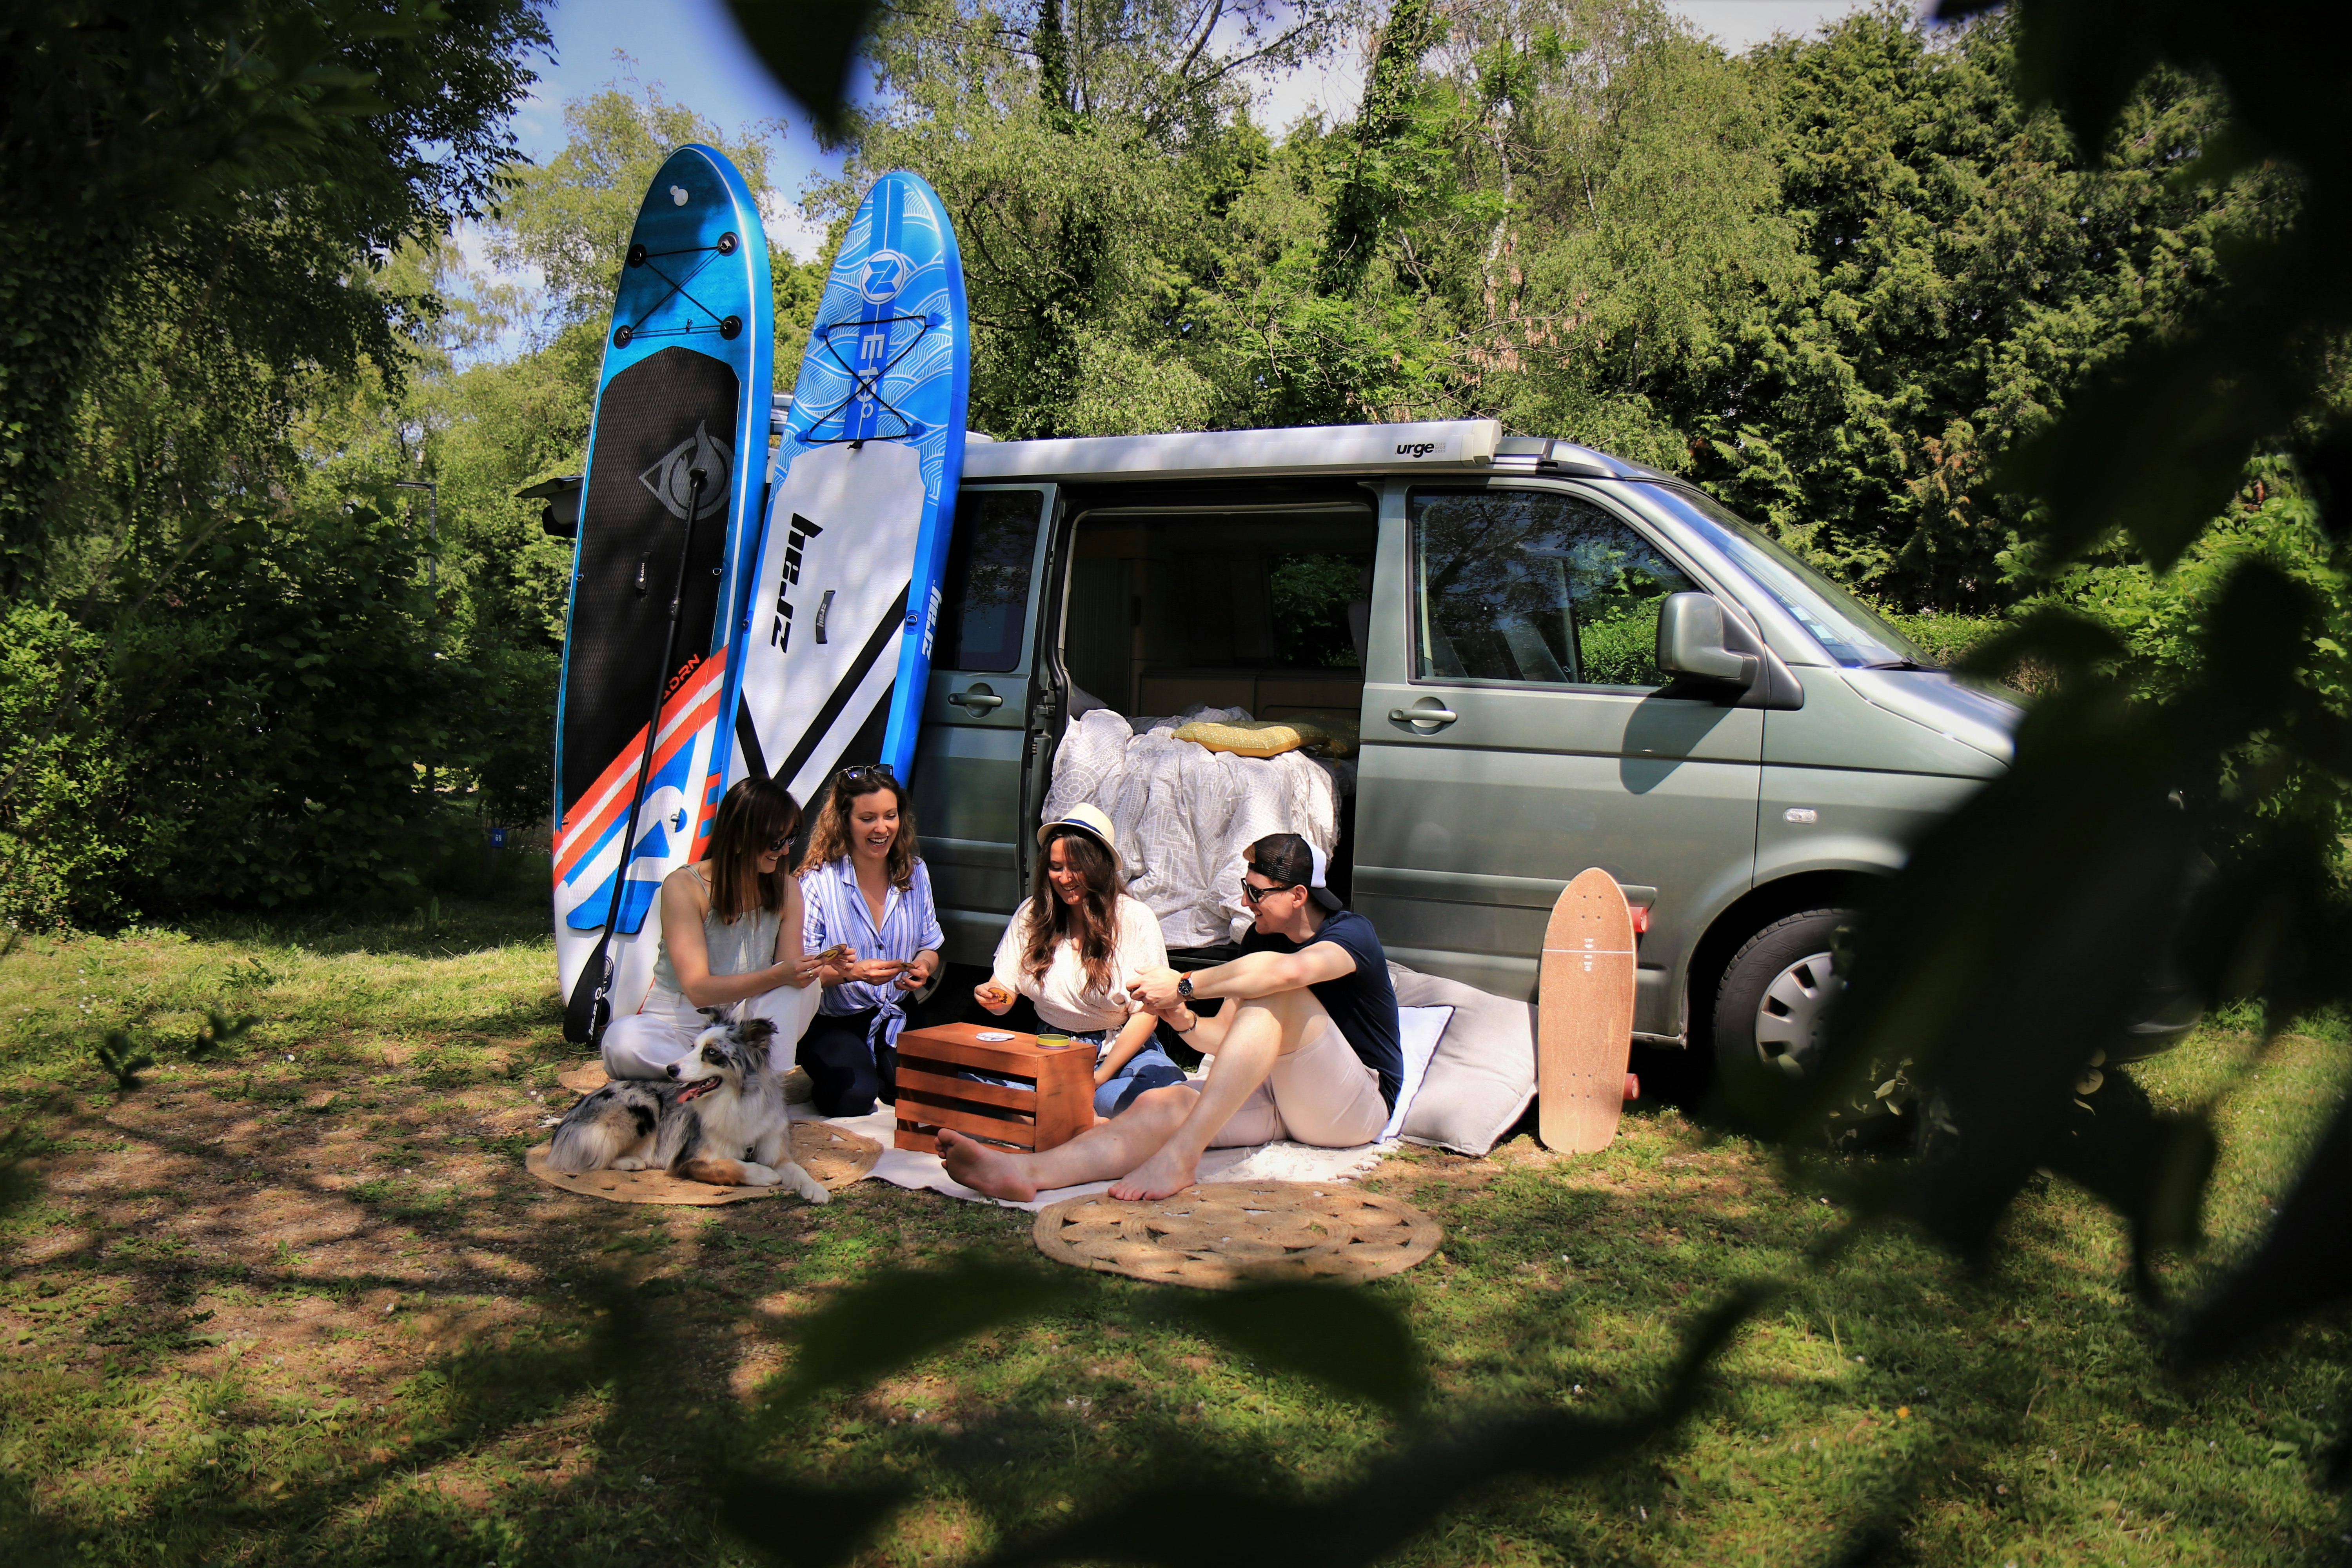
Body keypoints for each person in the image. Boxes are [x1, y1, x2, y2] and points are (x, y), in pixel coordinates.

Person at [939, 831, 1400, 1202]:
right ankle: (1025, 1173)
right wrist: (1181, 1016)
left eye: (1254, 891)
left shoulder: (1351, 934)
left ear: (1298, 895)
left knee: (1277, 993)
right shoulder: (1259, 942)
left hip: (1352, 1107)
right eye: (1244, 888)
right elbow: (1223, 1039)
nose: (1244, 902)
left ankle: (1180, 1158)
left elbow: (1287, 974)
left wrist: (1183, 985)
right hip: (1278, 1099)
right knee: (1163, 1102)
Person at [601, 777, 834, 1081]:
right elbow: (698, 989)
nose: (785, 851)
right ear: (740, 837)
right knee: (624, 1042)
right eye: (776, 841)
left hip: (743, 1018)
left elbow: (787, 975)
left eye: (791, 838)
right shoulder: (685, 885)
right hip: (680, 1018)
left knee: (803, 987)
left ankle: (755, 1081)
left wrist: (815, 968)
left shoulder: (787, 889)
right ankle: (732, 1077)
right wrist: (781, 974)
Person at [975, 805, 1188, 1118]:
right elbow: (1004, 993)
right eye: (1056, 866)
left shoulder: (1135, 919)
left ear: (1099, 866)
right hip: (1053, 1049)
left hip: (1121, 1050)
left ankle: (1066, 1109)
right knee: (972, 1087)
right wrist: (993, 995)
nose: (1064, 878)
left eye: (1076, 866)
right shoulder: (1031, 914)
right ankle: (1064, 1110)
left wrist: (1099, 1077)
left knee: (1157, 1099)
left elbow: (1146, 1015)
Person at [796, 763, 945, 1116]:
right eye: (868, 818)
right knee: (851, 1098)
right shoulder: (816, 882)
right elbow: (799, 973)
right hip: (834, 1017)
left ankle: (881, 1067)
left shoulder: (915, 872)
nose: (882, 828)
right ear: (845, 822)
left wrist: (923, 966)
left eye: (890, 816)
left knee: (920, 1093)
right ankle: (848, 1068)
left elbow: (930, 944)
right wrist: (852, 972)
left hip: (897, 1011)